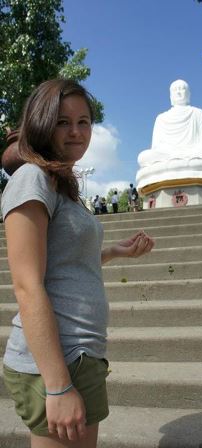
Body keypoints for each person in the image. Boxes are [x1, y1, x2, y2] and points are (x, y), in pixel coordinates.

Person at [1, 78, 154, 448]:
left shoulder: (60, 187)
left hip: (80, 354)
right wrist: (57, 385)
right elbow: (27, 283)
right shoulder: (30, 179)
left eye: (84, 121)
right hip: (57, 360)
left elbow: (64, 262)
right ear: (41, 122)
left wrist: (116, 251)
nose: (76, 131)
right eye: (63, 121)